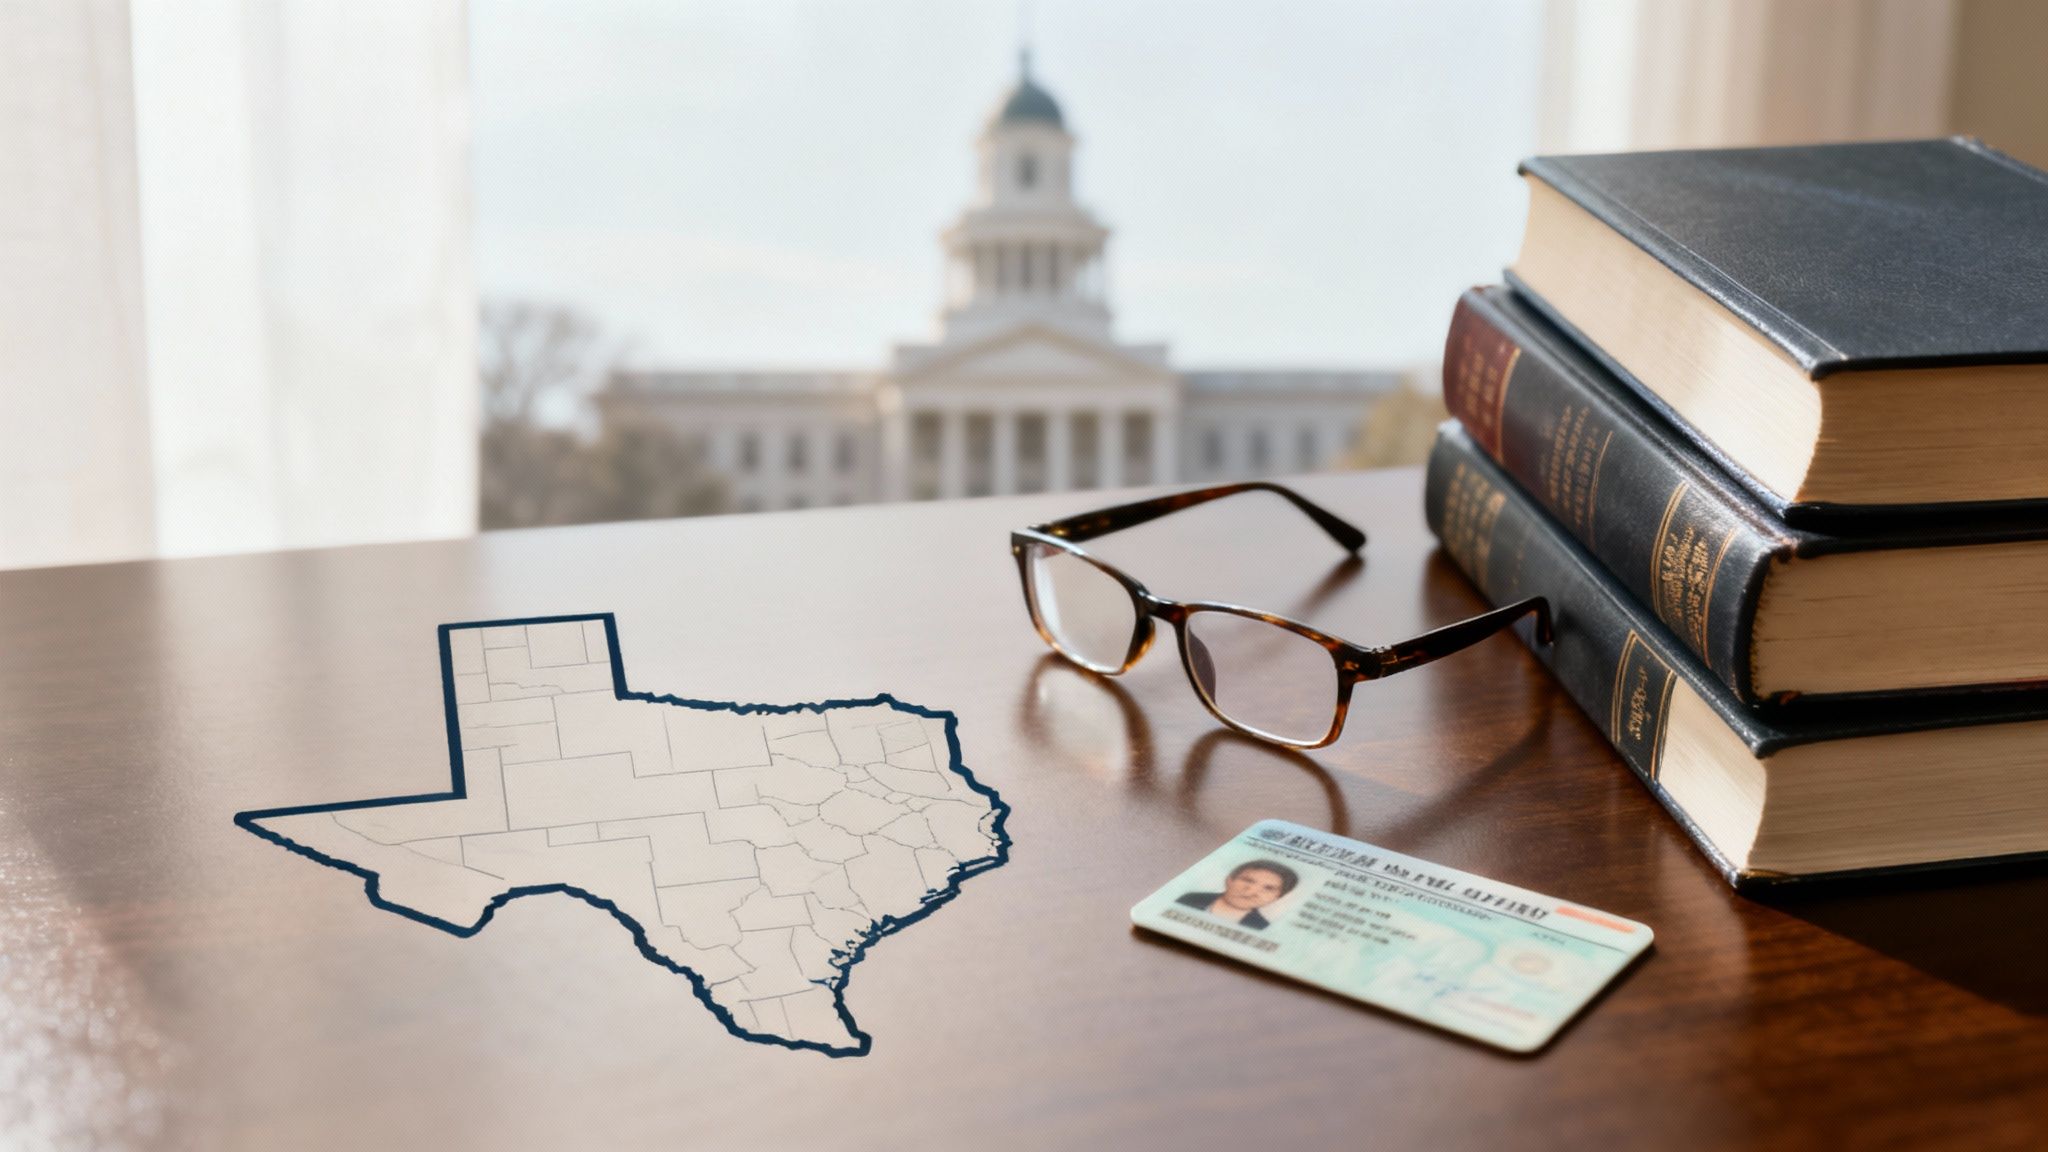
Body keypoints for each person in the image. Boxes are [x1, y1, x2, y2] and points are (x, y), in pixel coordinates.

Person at [1176, 859, 1298, 930]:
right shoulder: (1189, 899)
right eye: (1248, 880)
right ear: (1230, 880)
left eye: (1268, 888)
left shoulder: (1261, 927)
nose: (1252, 891)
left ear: (1277, 897)